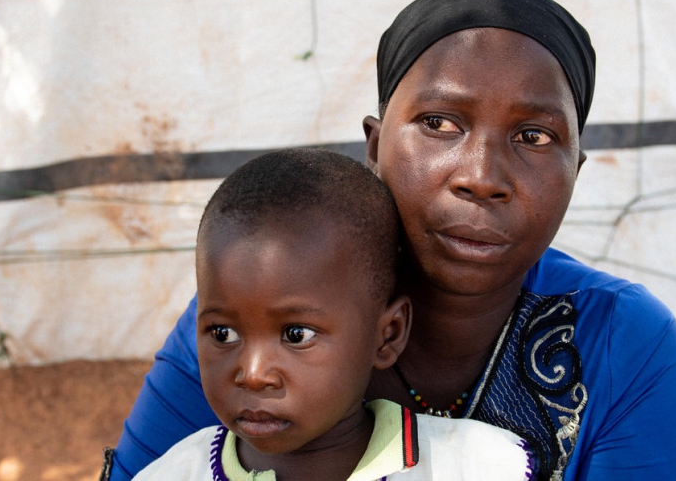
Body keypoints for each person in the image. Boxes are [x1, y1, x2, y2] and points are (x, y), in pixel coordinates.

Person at [105, 0, 676, 481]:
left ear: (574, 172)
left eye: (534, 137)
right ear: (375, 146)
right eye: (440, 123)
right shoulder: (252, 316)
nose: (481, 177)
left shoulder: (622, 341)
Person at [130, 148, 535, 480]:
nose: (252, 373)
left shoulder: (474, 466)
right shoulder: (172, 474)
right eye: (222, 334)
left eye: (295, 335)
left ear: (388, 335)